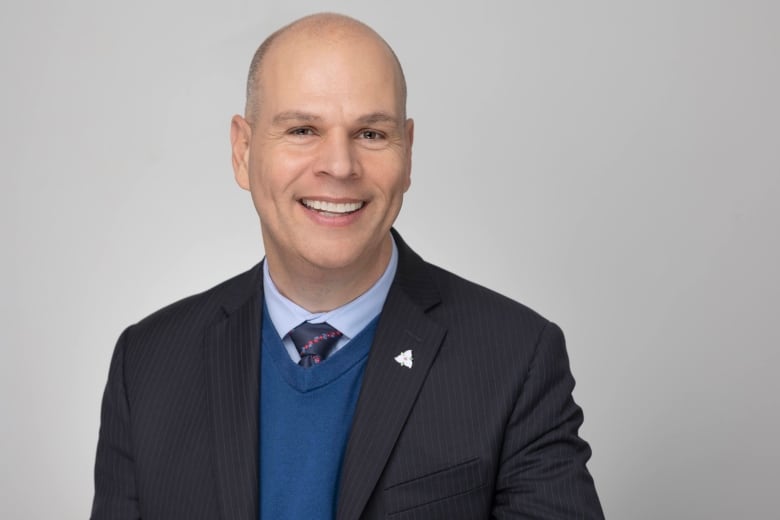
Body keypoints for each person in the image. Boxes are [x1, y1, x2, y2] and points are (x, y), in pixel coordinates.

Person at [91, 12, 603, 520]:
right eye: (302, 129)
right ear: (243, 151)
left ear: (407, 152)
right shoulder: (148, 364)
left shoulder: (515, 358)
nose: (339, 165)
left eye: (371, 134)